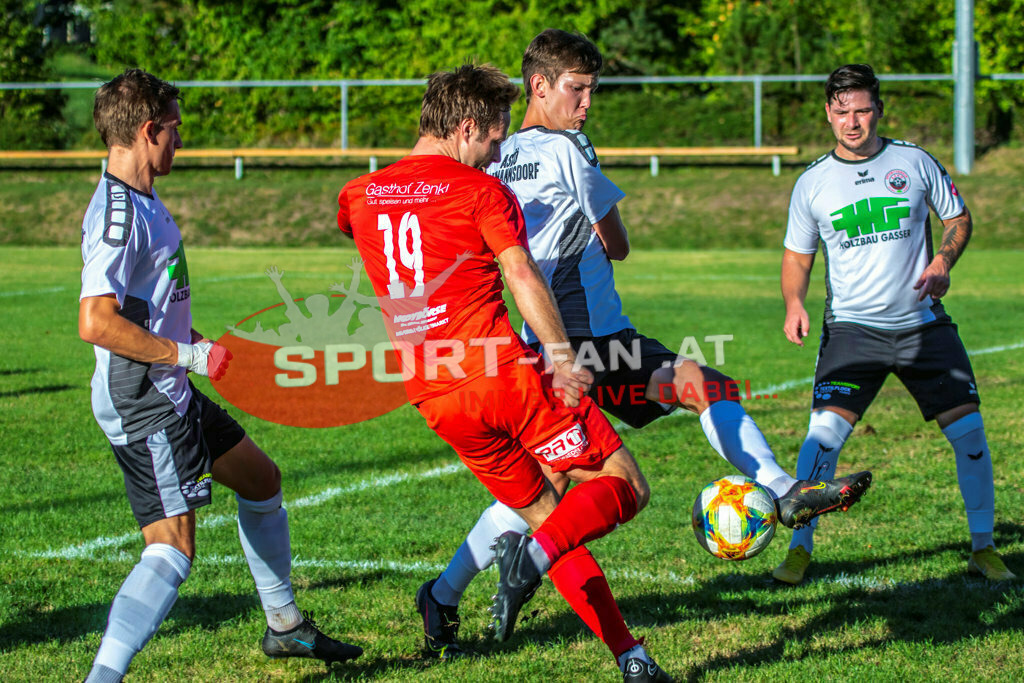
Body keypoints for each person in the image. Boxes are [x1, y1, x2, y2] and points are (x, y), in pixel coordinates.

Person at [414, 28, 872, 665]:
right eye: (576, 90)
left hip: (550, 348)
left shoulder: (495, 155)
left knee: (542, 486)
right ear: (538, 86)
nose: (586, 104)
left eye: (591, 91)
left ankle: (443, 592)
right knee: (689, 398)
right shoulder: (569, 149)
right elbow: (617, 240)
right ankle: (779, 486)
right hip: (588, 347)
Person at [337, 63, 672, 682]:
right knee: (624, 483)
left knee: (549, 511)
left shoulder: (358, 195)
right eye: (492, 139)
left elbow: (373, 234)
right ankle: (535, 559)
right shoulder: (482, 191)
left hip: (433, 395)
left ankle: (632, 658)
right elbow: (522, 274)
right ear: (466, 127)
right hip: (502, 378)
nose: (496, 154)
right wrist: (565, 357)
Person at [78, 69, 361, 683]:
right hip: (146, 400)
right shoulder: (118, 217)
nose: (180, 141)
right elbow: (96, 323)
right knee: (172, 550)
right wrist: (185, 358)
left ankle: (284, 626)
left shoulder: (145, 201)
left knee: (261, 479)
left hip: (171, 386)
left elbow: (144, 309)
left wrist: (206, 347)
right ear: (150, 131)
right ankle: (102, 677)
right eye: (175, 129)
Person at [774, 63, 1015, 585]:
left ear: (879, 111)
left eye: (862, 111)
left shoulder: (914, 161)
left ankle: (984, 546)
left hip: (923, 327)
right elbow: (797, 256)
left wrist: (944, 262)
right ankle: (799, 548)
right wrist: (795, 301)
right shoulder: (812, 182)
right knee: (821, 441)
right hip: (852, 333)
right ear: (828, 114)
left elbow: (958, 217)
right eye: (843, 113)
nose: (853, 122)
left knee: (970, 433)